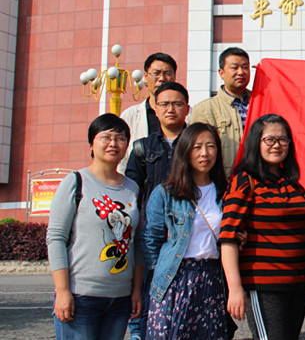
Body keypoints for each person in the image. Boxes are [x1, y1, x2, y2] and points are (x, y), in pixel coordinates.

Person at [47, 113, 143, 339]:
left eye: (120, 138)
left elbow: (137, 243)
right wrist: (63, 291)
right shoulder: (76, 182)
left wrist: (137, 290)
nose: (113, 143)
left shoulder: (133, 188)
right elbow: (56, 238)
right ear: (91, 144)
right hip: (81, 296)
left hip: (120, 299)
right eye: (106, 137)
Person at [220, 114, 305, 340]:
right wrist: (235, 288)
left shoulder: (294, 185)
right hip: (263, 285)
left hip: (298, 284)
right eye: (269, 140)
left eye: (283, 139)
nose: (277, 145)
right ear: (256, 143)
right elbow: (228, 237)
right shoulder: (244, 181)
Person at [143, 123, 229, 339]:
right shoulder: (165, 193)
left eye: (210, 146)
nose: (204, 153)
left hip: (213, 278)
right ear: (185, 151)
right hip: (175, 277)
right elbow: (152, 240)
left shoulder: (226, 193)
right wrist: (161, 271)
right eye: (197, 147)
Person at [125, 81, 190, 334]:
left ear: (187, 108)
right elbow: (132, 190)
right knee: (148, 291)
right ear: (155, 108)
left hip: (187, 232)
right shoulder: (142, 147)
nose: (170, 109)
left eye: (177, 104)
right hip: (152, 232)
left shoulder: (197, 143)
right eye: (164, 104)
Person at [191, 47, 252, 178]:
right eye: (234, 67)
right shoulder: (204, 109)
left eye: (245, 67)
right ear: (221, 73)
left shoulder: (261, 103)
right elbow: (198, 152)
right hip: (223, 181)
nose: (241, 72)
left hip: (258, 182)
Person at [119, 52, 178, 174]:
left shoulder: (188, 115)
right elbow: (122, 159)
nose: (162, 79)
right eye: (156, 73)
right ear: (145, 76)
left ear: (174, 77)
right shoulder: (130, 116)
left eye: (167, 73)